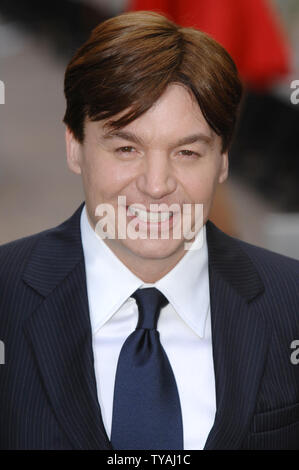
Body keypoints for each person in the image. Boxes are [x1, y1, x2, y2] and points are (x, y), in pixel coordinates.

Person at [0, 11, 298, 450]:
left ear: (223, 159)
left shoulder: (290, 301)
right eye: (126, 148)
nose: (156, 185)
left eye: (187, 152)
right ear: (75, 147)